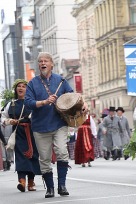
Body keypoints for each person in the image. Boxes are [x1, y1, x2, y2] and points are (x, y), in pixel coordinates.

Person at [24, 52, 88, 198]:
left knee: (62, 152)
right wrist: (44, 102)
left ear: (52, 64)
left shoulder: (60, 80)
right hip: (40, 127)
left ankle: (62, 185)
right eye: (40, 61)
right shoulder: (33, 83)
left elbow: (73, 96)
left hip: (59, 124)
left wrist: (83, 104)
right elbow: (28, 103)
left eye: (45, 61)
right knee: (45, 159)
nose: (42, 63)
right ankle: (50, 188)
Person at [1, 79, 41, 192]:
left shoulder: (32, 102)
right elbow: (3, 117)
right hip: (18, 132)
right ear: (15, 89)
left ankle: (31, 182)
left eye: (24, 86)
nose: (21, 88)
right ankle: (22, 182)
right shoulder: (10, 104)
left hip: (32, 132)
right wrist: (10, 121)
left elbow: (39, 115)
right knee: (20, 156)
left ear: (27, 89)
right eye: (19, 86)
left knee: (32, 155)